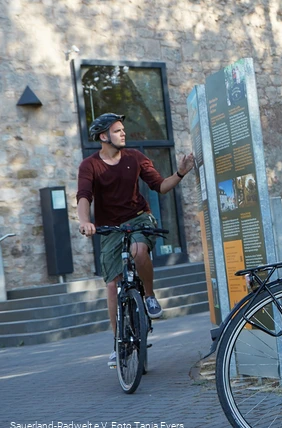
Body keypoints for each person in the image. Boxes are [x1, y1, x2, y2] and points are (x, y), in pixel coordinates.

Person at [76, 113, 195, 369]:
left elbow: (160, 186)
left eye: (123, 130)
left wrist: (180, 173)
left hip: (139, 219)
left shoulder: (135, 158)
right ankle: (118, 341)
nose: (123, 134)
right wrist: (85, 222)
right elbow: (84, 196)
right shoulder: (90, 165)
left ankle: (149, 296)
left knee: (139, 248)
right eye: (117, 131)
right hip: (109, 228)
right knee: (111, 285)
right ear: (103, 136)